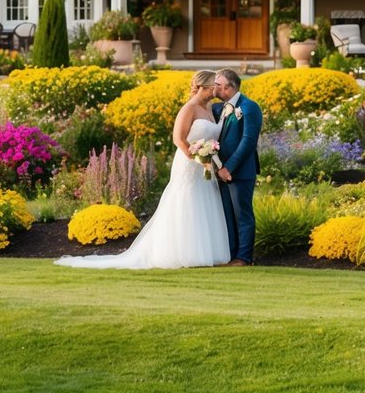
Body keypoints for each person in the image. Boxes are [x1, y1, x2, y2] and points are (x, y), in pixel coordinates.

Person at [54, 69, 230, 270]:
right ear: (203, 87)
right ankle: (183, 252)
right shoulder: (188, 109)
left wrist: (209, 159)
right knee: (186, 200)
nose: (216, 90)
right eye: (212, 86)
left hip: (204, 167)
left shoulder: (210, 108)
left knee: (205, 200)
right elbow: (178, 139)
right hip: (189, 164)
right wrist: (197, 157)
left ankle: (207, 251)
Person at [212, 68, 263, 266]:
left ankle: (244, 257)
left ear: (228, 87)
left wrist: (229, 168)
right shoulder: (219, 108)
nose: (215, 88)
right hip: (220, 172)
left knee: (242, 215)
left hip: (240, 172)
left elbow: (248, 142)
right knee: (227, 216)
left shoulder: (249, 107)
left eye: (217, 85)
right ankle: (231, 255)